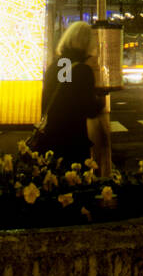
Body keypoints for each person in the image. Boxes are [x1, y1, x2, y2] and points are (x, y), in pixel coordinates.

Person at [39, 21, 105, 167]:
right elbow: (89, 109)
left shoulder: (57, 65)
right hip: (72, 143)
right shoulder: (82, 70)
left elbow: (57, 97)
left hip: (51, 140)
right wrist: (101, 99)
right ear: (87, 43)